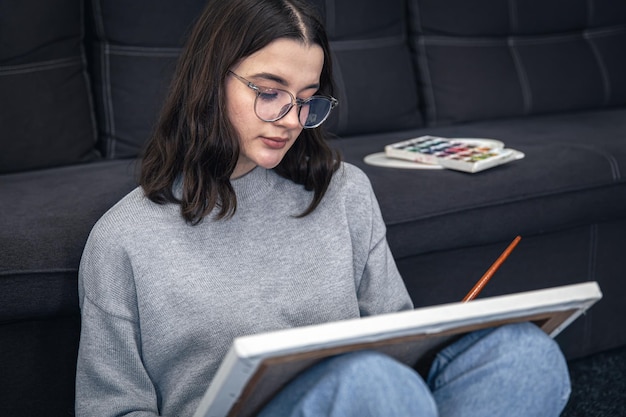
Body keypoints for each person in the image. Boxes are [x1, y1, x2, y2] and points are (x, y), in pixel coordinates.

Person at [75, 0, 571, 416]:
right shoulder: (125, 238)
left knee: (525, 356)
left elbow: (395, 338)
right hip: (355, 395)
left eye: (307, 99)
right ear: (209, 80)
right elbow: (113, 407)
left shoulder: (344, 191)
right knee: (369, 384)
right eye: (269, 93)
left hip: (373, 399)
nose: (290, 120)